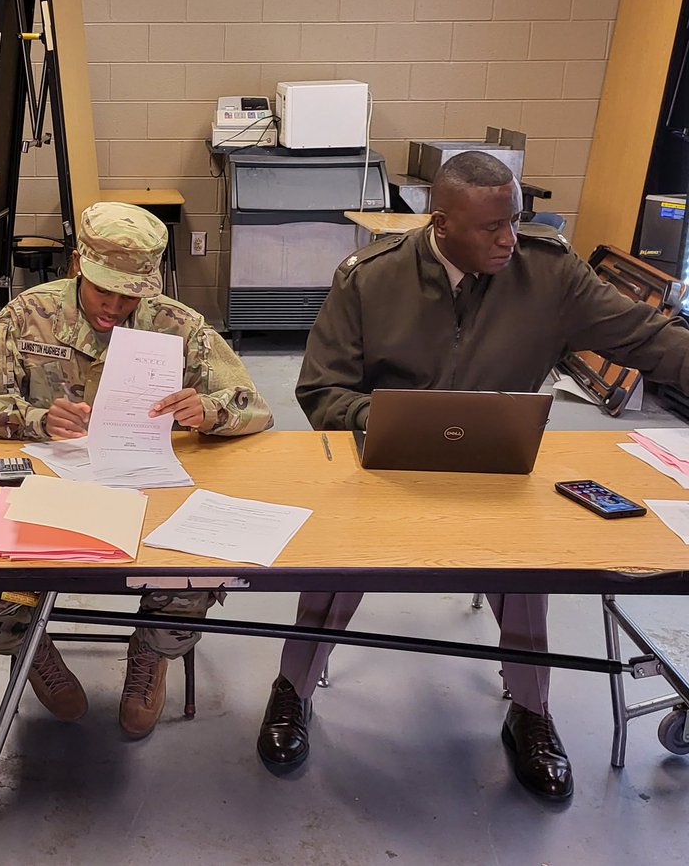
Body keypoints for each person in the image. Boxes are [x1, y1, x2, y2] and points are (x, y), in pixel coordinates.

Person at [257, 150, 689, 801]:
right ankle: (293, 689)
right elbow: (321, 390)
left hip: (495, 468)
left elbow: (647, 338)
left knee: (528, 568)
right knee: (335, 559)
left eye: (515, 219)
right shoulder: (370, 279)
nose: (509, 238)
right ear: (442, 223)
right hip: (387, 462)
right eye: (492, 227)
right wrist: (389, 419)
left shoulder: (550, 275)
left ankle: (530, 710)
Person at [0, 201, 273, 739]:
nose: (116, 306)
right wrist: (35, 419)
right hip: (52, 488)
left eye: (131, 295)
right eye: (105, 291)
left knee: (196, 568)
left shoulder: (178, 326)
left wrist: (210, 410)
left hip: (148, 485)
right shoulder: (27, 315)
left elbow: (255, 407)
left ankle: (152, 650)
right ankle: (32, 646)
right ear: (79, 264)